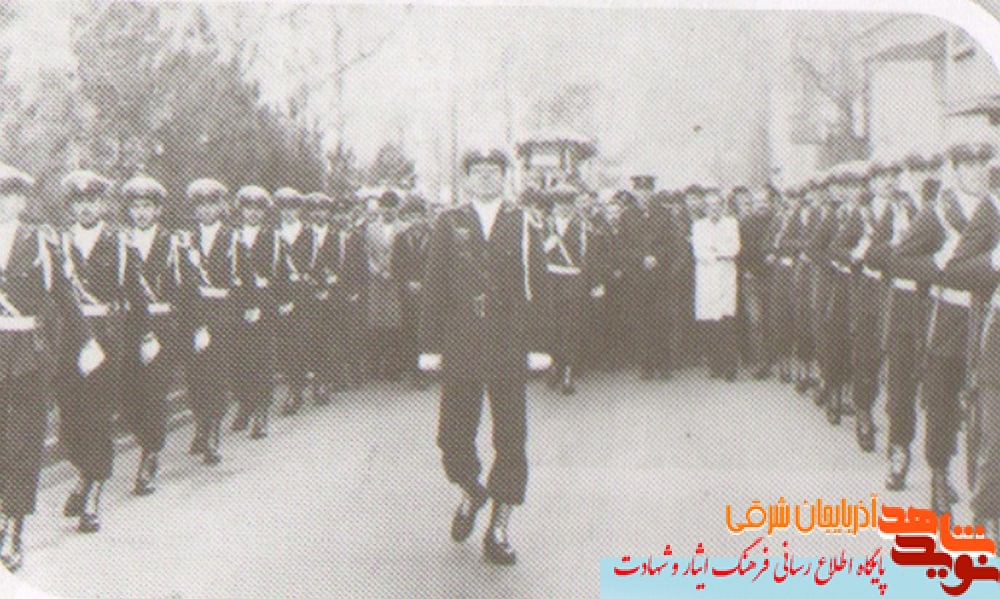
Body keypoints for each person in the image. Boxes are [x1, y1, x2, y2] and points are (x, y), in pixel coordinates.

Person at [418, 149, 551, 566]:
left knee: (511, 438)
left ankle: (499, 527)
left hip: (509, 342)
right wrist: (429, 346)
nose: (486, 178)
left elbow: (539, 284)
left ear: (504, 177)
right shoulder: (449, 221)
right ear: (467, 179)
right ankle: (472, 491)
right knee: (452, 436)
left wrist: (539, 343)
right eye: (478, 172)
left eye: (494, 172)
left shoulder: (523, 221)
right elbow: (434, 285)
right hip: (462, 342)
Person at [0, 164, 93, 570]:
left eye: (9, 194)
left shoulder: (39, 240)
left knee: (23, 445)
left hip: (27, 354)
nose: (3, 202)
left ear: (22, 200)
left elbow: (64, 296)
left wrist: (86, 340)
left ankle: (14, 528)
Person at [900, 142, 998, 513]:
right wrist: (938, 265)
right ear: (955, 170)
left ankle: (983, 496)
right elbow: (900, 260)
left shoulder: (994, 207)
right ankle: (939, 474)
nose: (977, 172)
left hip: (986, 318)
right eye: (968, 165)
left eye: (982, 164)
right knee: (943, 402)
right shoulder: (938, 213)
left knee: (983, 410)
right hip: (950, 317)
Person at [56, 169, 122, 534]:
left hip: (104, 339)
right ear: (71, 206)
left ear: (102, 204)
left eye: (92, 201)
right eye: (79, 202)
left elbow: (132, 293)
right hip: (69, 339)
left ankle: (93, 493)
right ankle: (84, 474)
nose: (86, 208)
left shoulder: (118, 243)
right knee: (70, 421)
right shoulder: (58, 242)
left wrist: (144, 337)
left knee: (97, 418)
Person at [882, 150, 944, 490]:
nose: (925, 175)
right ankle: (900, 453)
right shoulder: (898, 208)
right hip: (905, 307)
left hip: (934, 305)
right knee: (901, 387)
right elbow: (884, 256)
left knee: (938, 390)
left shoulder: (945, 208)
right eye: (918, 169)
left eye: (931, 168)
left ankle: (939, 468)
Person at [119, 175, 179, 495]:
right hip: (129, 325)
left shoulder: (172, 243)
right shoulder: (120, 241)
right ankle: (147, 440)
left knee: (154, 394)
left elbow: (184, 288)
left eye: (147, 206)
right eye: (135, 206)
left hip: (161, 325)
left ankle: (150, 456)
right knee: (129, 396)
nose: (140, 213)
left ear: (158, 210)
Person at [847, 158, 908, 453]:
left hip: (898, 294)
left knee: (898, 367)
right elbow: (839, 248)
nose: (888, 181)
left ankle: (897, 436)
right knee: (867, 361)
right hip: (870, 295)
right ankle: (863, 413)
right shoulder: (862, 213)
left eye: (892, 175)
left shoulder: (906, 209)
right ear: (871, 183)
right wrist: (858, 254)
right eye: (882, 176)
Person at [176, 178, 237, 465]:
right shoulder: (184, 240)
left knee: (217, 375)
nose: (206, 210)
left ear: (221, 206)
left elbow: (242, 277)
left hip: (222, 314)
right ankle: (201, 422)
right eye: (200, 205)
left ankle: (213, 434)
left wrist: (242, 310)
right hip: (193, 313)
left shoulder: (232, 237)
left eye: (212, 204)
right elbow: (180, 280)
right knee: (196, 375)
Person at [542, 183, 607, 394]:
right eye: (559, 203)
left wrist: (595, 283)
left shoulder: (583, 227)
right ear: (554, 204)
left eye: (567, 203)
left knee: (570, 326)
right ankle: (555, 365)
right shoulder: (544, 225)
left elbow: (592, 257)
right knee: (552, 326)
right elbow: (532, 254)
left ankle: (568, 372)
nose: (563, 207)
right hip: (550, 279)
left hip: (573, 279)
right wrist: (546, 246)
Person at [229, 185, 276, 438]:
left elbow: (279, 273)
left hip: (263, 301)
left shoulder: (272, 237)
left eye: (258, 208)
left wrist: (278, 301)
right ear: (241, 210)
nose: (253, 213)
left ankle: (261, 413)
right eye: (248, 208)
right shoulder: (232, 236)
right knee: (237, 358)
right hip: (237, 302)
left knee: (262, 359)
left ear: (264, 212)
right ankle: (244, 403)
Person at [619, 176, 676, 379]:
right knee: (641, 320)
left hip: (660, 275)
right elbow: (623, 246)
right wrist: (641, 258)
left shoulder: (665, 214)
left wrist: (657, 257)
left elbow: (672, 243)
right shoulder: (627, 215)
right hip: (638, 275)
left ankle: (663, 364)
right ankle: (645, 364)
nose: (643, 195)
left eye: (647, 191)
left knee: (661, 319)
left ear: (652, 192)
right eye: (640, 191)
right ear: (635, 193)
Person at [691, 188, 741, 380]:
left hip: (726, 276)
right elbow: (699, 252)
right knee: (710, 323)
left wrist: (716, 251)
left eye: (717, 205)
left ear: (722, 206)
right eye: (710, 205)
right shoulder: (698, 226)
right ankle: (715, 364)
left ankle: (730, 367)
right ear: (705, 207)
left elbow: (734, 248)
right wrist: (719, 253)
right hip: (707, 277)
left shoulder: (731, 223)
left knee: (726, 322)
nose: (714, 209)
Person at [272, 187, 313, 414]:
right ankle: (292, 382)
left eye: (293, 208)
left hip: (300, 292)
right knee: (283, 343)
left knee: (298, 342)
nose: (288, 212)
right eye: (284, 208)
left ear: (299, 210)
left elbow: (311, 263)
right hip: (278, 292)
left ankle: (295, 390)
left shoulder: (307, 233)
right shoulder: (273, 232)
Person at [392, 197, 432, 387]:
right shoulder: (401, 238)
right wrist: (407, 282)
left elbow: (438, 265)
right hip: (407, 292)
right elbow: (396, 265)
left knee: (426, 330)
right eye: (412, 216)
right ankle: (413, 371)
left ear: (425, 217)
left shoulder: (434, 237)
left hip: (428, 292)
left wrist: (424, 283)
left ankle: (426, 370)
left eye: (419, 216)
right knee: (408, 331)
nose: (416, 221)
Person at [364, 191, 404, 381]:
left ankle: (392, 368)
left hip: (395, 281)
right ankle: (373, 367)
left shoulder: (403, 228)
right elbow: (367, 254)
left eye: (392, 207)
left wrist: (393, 271)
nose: (388, 210)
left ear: (397, 208)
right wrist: (377, 270)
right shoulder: (371, 228)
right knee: (376, 324)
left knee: (394, 324)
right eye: (385, 207)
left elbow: (405, 256)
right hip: (376, 281)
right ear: (380, 208)